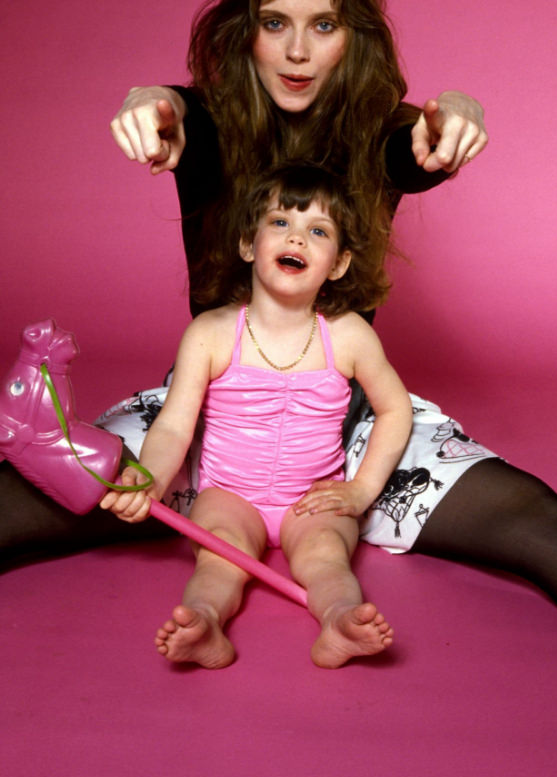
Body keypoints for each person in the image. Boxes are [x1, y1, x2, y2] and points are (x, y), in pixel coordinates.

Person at [3, 0, 557, 648]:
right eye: (276, 22)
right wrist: (154, 102)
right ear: (247, 30)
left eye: (325, 24)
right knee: (23, 494)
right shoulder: (206, 124)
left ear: (353, 36)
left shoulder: (380, 130)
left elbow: (420, 140)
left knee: (539, 524)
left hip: (347, 427)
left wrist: (455, 118)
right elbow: (176, 112)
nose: (299, 51)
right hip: (206, 416)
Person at [101, 165, 413, 668]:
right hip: (231, 493)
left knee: (325, 555)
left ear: (339, 263)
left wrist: (360, 491)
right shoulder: (212, 331)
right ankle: (204, 621)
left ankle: (340, 619)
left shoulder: (349, 334)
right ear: (249, 243)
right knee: (220, 553)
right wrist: (150, 479)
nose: (298, 238)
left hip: (312, 496)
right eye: (280, 223)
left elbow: (396, 409)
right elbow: (176, 425)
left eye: (318, 231)